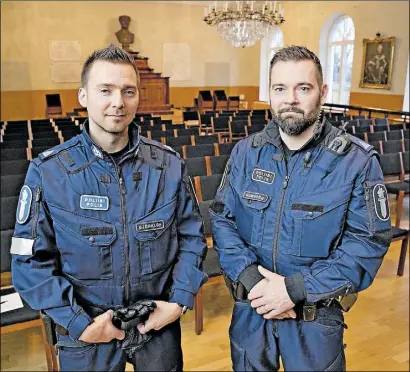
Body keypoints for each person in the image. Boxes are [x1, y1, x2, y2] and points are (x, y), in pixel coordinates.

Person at [11, 44, 207, 371]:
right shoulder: (48, 172)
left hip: (156, 324)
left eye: (128, 91)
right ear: (84, 96)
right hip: (88, 330)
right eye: (106, 90)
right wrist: (78, 323)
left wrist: (178, 302)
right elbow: (28, 262)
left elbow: (192, 238)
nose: (118, 102)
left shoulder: (170, 166)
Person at [210, 45, 391, 371]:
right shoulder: (245, 154)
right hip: (252, 308)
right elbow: (223, 221)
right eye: (280, 88)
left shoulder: (356, 162)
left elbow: (367, 245)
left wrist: (294, 290)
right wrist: (253, 280)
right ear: (269, 93)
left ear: (322, 92)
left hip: (314, 317)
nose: (290, 99)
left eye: (302, 88)